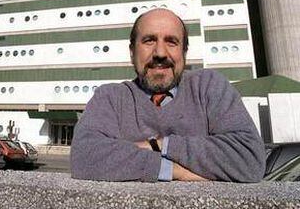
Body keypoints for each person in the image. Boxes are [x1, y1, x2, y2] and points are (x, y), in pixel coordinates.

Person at [70, 9, 266, 182]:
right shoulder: (110, 97)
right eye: (149, 40)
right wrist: (175, 170)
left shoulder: (209, 86)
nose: (160, 53)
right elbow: (84, 156)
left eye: (172, 42)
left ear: (184, 53)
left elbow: (249, 158)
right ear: (132, 52)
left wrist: (159, 145)